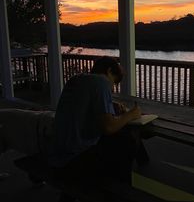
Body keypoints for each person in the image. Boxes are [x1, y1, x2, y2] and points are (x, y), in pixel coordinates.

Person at [48, 56, 149, 187]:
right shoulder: (101, 82)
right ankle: (119, 190)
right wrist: (131, 115)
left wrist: (109, 104)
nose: (112, 87)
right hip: (74, 157)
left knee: (121, 138)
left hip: (57, 152)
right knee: (127, 142)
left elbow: (82, 106)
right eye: (114, 81)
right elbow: (109, 127)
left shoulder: (76, 79)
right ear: (108, 71)